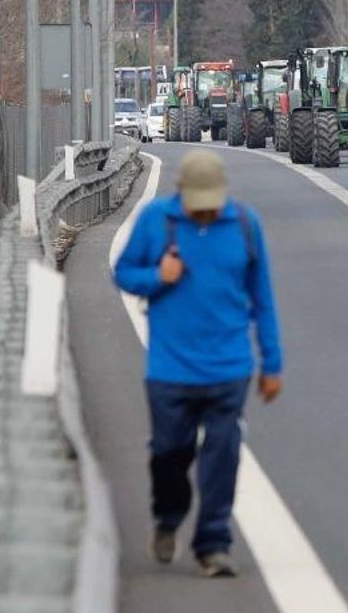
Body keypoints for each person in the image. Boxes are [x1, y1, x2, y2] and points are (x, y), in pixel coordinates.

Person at [113, 150, 282, 579]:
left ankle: (213, 544)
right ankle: (168, 518)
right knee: (170, 453)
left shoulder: (245, 225)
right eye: (198, 200)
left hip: (229, 367)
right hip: (171, 368)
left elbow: (263, 300)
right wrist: (157, 278)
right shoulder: (156, 221)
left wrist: (272, 364)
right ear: (181, 193)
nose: (206, 210)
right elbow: (123, 272)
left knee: (222, 456)